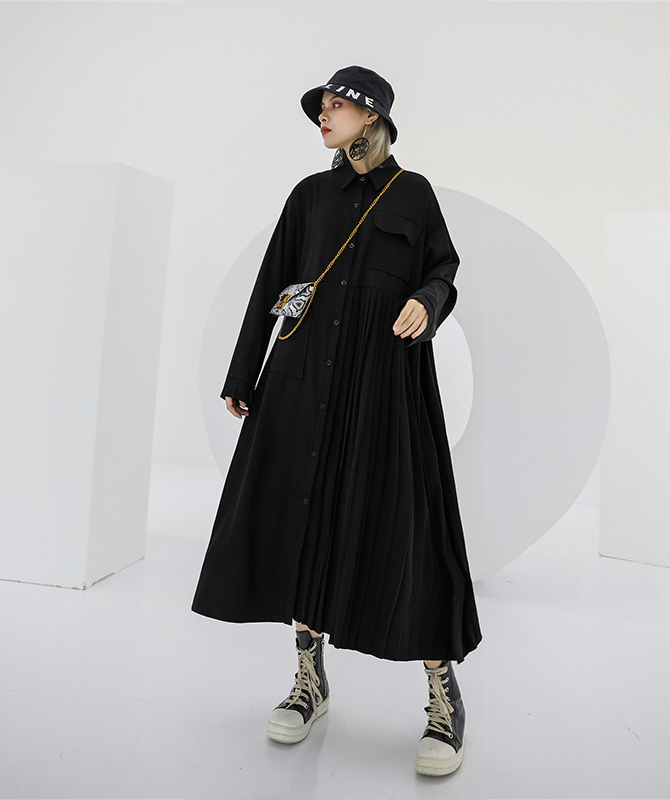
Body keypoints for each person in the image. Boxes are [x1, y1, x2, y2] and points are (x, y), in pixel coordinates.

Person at [192, 65, 482, 777]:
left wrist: (427, 302)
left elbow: (443, 268)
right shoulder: (308, 196)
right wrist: (243, 372)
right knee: (300, 518)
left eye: (336, 105)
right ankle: (308, 679)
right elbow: (272, 283)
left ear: (371, 116)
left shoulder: (412, 193)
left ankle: (442, 695)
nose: (323, 115)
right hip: (302, 381)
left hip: (384, 387)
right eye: (320, 106)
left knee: (406, 529)